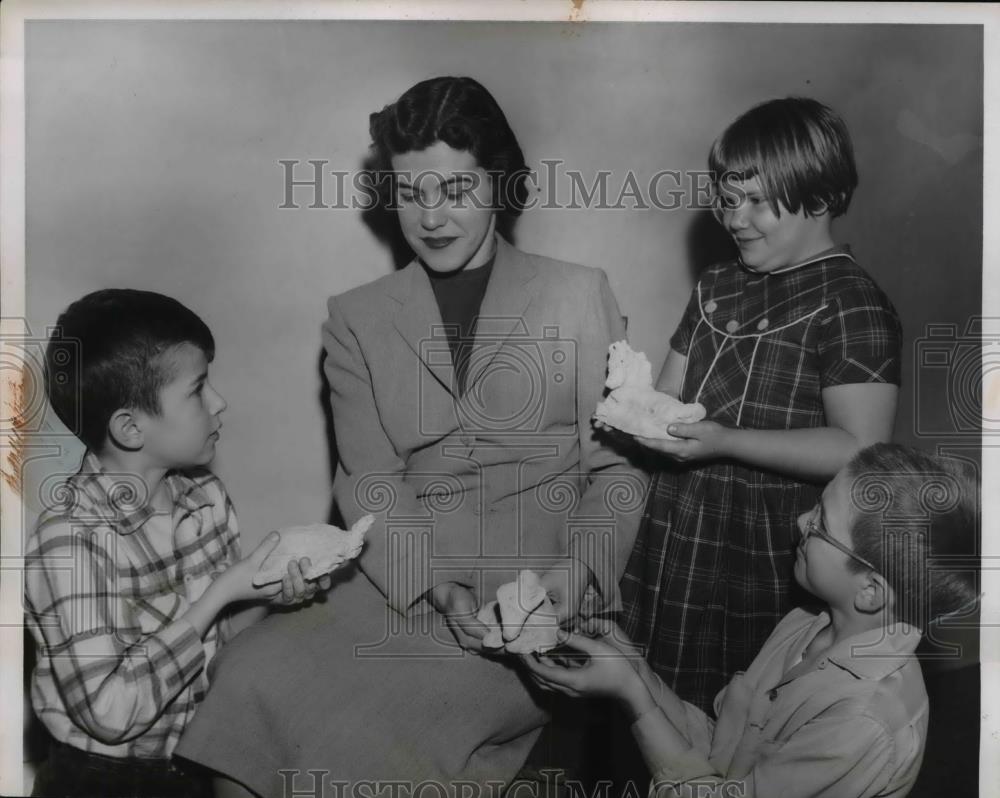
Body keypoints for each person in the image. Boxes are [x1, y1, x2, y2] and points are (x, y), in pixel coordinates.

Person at [174, 76, 647, 797]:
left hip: (536, 598)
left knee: (363, 733)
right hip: (401, 581)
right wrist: (437, 588)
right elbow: (369, 482)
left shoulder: (579, 293)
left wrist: (574, 576)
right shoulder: (356, 317)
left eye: (455, 190)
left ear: (500, 183)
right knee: (247, 676)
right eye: (410, 193)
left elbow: (616, 472)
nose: (430, 217)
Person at [619, 97, 903, 712]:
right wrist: (628, 402)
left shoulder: (852, 302)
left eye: (755, 200)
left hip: (769, 549)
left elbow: (858, 449)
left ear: (820, 198)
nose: (734, 218)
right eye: (726, 198)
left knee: (735, 711)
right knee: (649, 696)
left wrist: (723, 440)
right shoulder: (717, 285)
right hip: (678, 525)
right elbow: (668, 394)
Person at [524, 443, 979, 797]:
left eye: (821, 525)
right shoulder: (807, 622)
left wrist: (633, 700)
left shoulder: (863, 722)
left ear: (870, 591)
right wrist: (634, 669)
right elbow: (719, 751)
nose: (801, 521)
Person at [24, 289, 327, 798]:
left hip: (192, 763)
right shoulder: (68, 540)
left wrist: (269, 597)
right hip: (100, 782)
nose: (219, 401)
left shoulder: (205, 496)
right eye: (198, 389)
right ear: (129, 427)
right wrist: (221, 591)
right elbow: (110, 713)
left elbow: (218, 637)